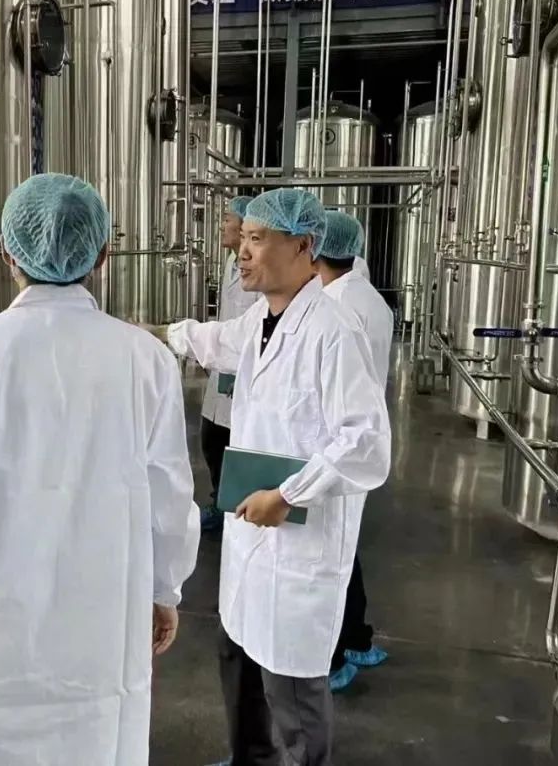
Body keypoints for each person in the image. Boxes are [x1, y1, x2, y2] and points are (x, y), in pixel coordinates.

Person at [0, 173, 200, 766]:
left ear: (7, 253)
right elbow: (169, 493)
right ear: (103, 255)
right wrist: (164, 589)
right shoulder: (147, 359)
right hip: (105, 616)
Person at [158, 189, 391, 766]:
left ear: (304, 246)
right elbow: (214, 341)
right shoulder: (262, 318)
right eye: (244, 237)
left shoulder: (335, 331)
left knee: (292, 691)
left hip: (296, 545)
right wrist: (151, 333)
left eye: (257, 239)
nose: (242, 250)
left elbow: (366, 443)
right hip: (250, 539)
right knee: (237, 658)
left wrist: (288, 495)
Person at [314, 209, 395, 694]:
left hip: (336, 447)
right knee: (345, 549)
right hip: (359, 443)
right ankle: (359, 640)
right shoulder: (372, 299)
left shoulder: (333, 307)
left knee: (331, 557)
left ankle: (336, 655)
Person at [199, 195, 261, 533]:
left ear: (244, 226)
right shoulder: (230, 262)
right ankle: (219, 502)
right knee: (211, 439)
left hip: (244, 369)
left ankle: (233, 510)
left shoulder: (257, 268)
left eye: (227, 219)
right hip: (223, 365)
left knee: (237, 443)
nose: (221, 225)